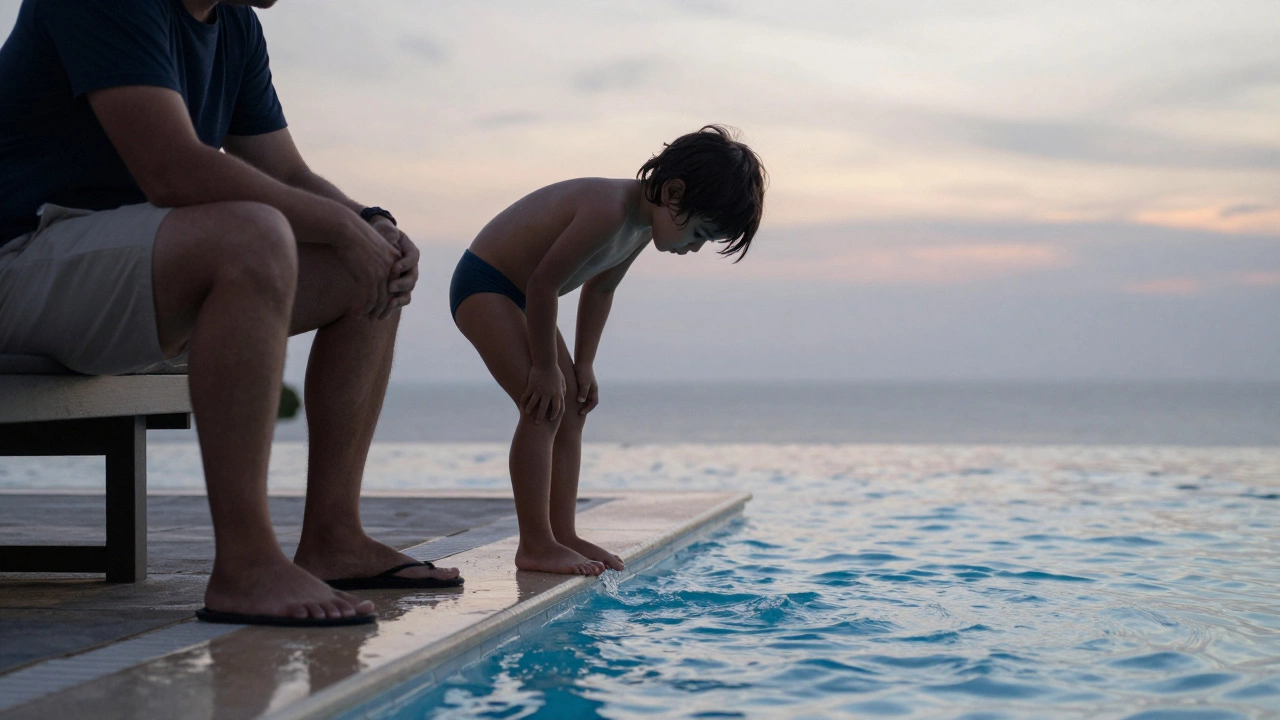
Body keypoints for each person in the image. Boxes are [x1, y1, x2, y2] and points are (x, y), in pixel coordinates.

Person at [0, 0, 461, 626]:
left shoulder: (235, 26)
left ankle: (334, 537)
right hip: (20, 259)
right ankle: (246, 565)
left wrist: (367, 222)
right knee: (253, 235)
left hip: (122, 268)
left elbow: (287, 170)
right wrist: (339, 226)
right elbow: (172, 168)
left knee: (368, 264)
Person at [450, 125, 767, 575]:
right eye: (697, 232)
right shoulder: (607, 210)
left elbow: (600, 291)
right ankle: (535, 544)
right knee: (543, 406)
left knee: (572, 405)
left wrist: (583, 365)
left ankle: (563, 533)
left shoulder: (638, 227)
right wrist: (544, 367)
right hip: (487, 285)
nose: (693, 247)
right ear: (672, 192)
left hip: (525, 297)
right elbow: (544, 283)